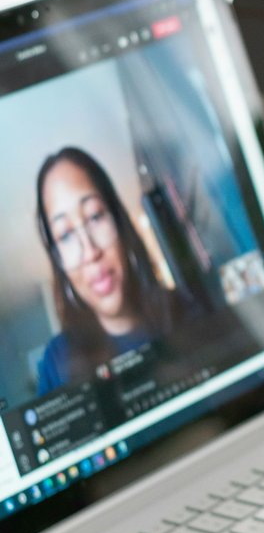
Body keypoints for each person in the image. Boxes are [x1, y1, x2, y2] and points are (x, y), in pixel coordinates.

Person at [33, 146, 189, 393]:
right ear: (59, 261)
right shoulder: (57, 363)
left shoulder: (186, 309)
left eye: (95, 216)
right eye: (65, 235)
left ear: (119, 220)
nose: (90, 251)